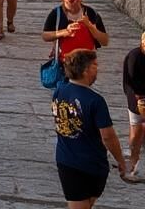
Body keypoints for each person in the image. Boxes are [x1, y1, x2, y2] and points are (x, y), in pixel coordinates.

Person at [52, 49, 131, 207]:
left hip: (67, 159)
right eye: (95, 65)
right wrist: (121, 160)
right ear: (86, 70)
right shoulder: (95, 101)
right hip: (87, 165)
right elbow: (108, 136)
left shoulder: (59, 91)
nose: (98, 68)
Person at [43, 0, 110, 71]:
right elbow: (45, 36)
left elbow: (104, 41)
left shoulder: (91, 13)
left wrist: (89, 25)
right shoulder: (56, 14)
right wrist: (64, 32)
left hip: (86, 65)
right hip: (64, 64)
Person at [122, 32, 145, 179]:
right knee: (137, 130)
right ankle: (133, 160)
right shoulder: (134, 56)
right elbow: (131, 80)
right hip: (137, 98)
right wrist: (139, 96)